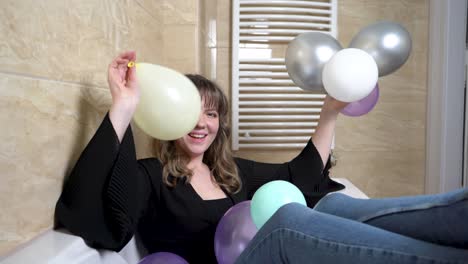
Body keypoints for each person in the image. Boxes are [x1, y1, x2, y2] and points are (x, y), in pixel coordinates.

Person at [55, 51, 468, 263]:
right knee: (287, 223)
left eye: (212, 113)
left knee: (333, 203)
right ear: (166, 115)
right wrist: (124, 106)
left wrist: (329, 111)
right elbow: (88, 214)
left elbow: (302, 178)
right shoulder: (150, 177)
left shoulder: (232, 174)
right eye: (191, 112)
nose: (202, 124)